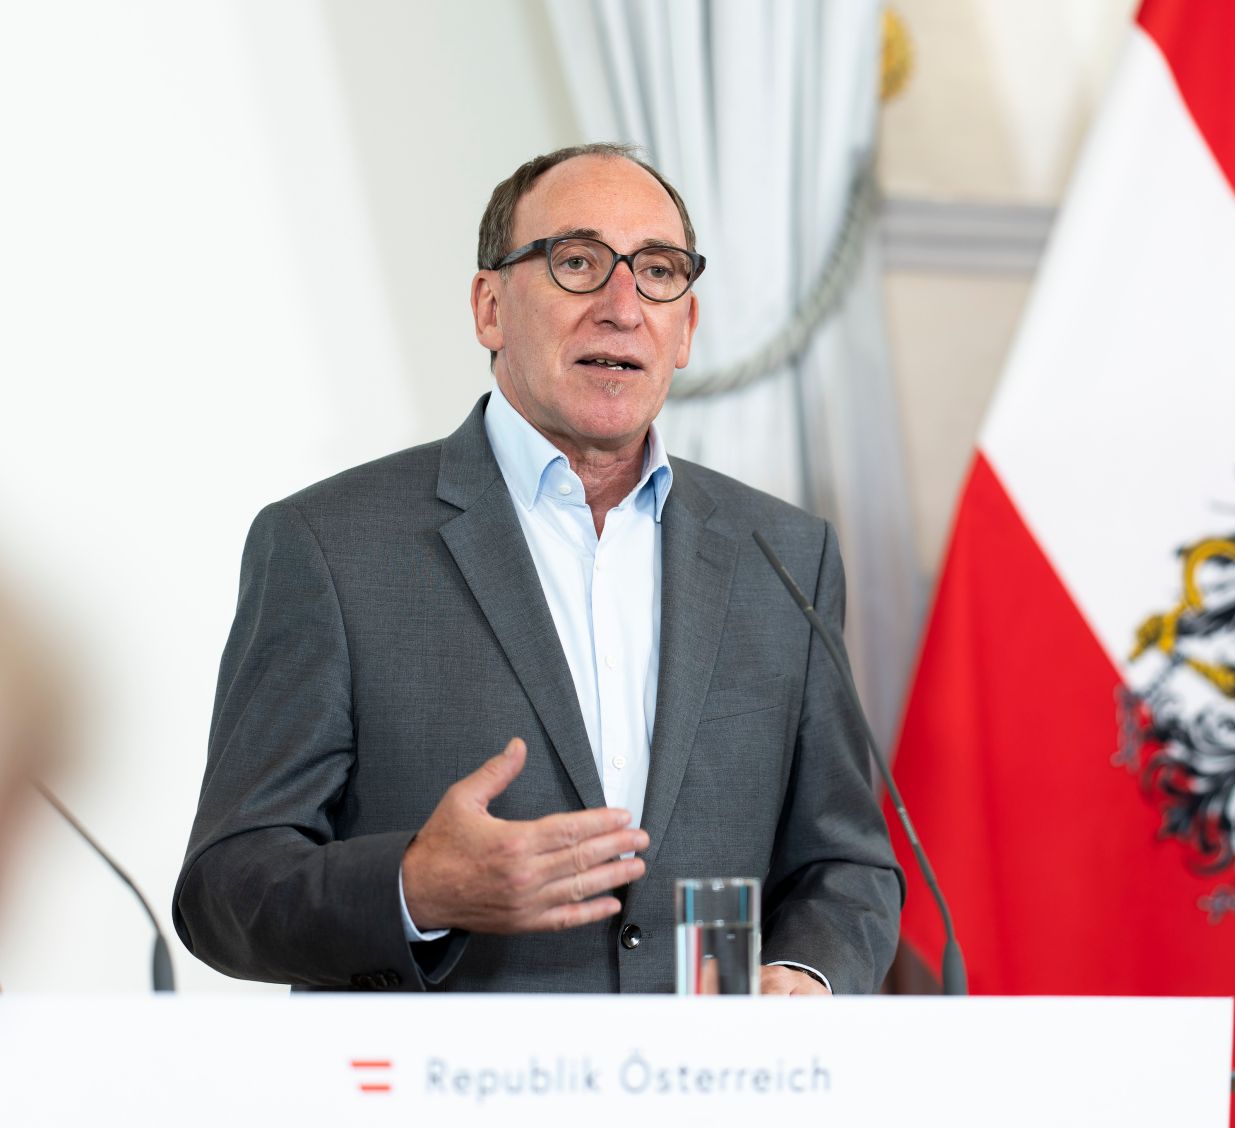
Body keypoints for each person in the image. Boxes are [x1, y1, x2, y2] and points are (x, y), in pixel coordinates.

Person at [174, 143, 903, 993]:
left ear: (687, 331)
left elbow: (846, 866)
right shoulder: (328, 547)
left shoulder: (782, 556)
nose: (622, 307)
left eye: (659, 272)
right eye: (578, 262)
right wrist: (415, 887)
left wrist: (807, 972)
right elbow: (224, 890)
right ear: (489, 307)